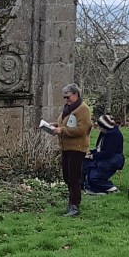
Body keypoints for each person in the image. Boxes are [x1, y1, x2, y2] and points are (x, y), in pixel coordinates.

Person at [53, 83, 92, 218]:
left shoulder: (83, 109)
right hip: (66, 147)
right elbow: (63, 123)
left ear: (76, 94)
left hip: (77, 148)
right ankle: (71, 203)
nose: (66, 100)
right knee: (67, 177)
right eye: (64, 97)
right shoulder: (68, 108)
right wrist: (53, 126)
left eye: (68, 97)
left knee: (74, 178)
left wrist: (62, 130)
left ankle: (75, 205)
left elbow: (81, 129)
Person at [83, 114, 125, 194]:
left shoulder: (116, 135)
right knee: (85, 165)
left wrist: (92, 156)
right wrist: (91, 152)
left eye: (100, 127)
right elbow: (100, 148)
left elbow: (108, 153)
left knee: (94, 177)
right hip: (105, 158)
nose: (99, 128)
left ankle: (111, 188)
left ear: (105, 127)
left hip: (112, 160)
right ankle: (89, 187)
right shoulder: (104, 133)